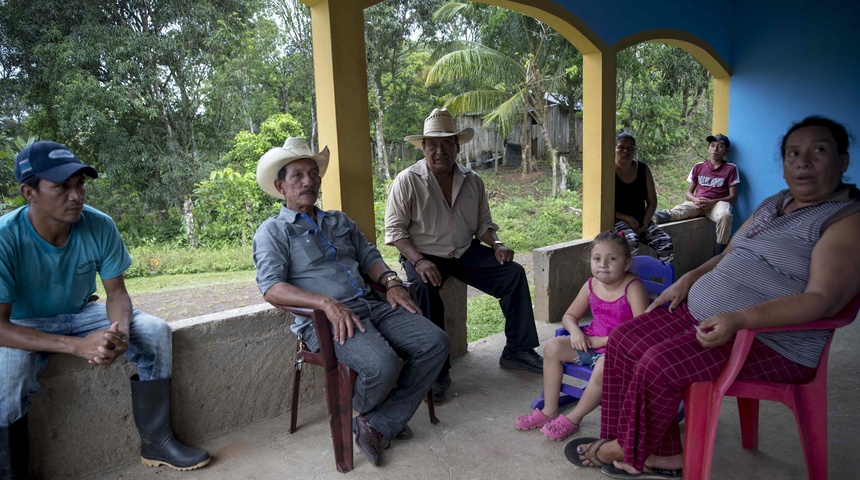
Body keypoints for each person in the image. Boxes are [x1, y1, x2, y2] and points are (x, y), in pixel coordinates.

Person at [564, 116, 860, 479]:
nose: (802, 161)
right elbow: (726, 254)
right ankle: (663, 451)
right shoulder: (774, 203)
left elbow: (822, 300)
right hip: (703, 315)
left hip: (770, 341)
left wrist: (739, 319)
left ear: (842, 161)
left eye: (818, 150)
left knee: (658, 362)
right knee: (626, 338)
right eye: (793, 153)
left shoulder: (846, 220)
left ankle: (625, 447)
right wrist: (687, 279)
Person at [0, 141, 211, 478]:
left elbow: (117, 295)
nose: (76, 196)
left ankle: (156, 442)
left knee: (155, 331)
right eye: (62, 187)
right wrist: (77, 346)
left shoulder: (99, 225)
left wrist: (119, 332)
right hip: (25, 321)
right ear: (29, 192)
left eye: (80, 184)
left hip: (82, 313)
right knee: (7, 374)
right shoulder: (5, 237)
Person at [252, 137, 449, 467]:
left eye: (313, 173)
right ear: (280, 186)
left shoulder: (338, 221)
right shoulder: (273, 232)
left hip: (371, 303)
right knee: (382, 365)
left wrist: (390, 282)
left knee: (435, 343)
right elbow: (272, 287)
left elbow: (369, 255)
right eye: (297, 175)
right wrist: (325, 303)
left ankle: (378, 421)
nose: (308, 181)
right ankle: (384, 418)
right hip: (327, 320)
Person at [384, 108, 543, 403]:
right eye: (433, 144)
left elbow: (484, 225)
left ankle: (517, 350)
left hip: (464, 251)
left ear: (458, 146)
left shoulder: (473, 180)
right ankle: (437, 370)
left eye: (447, 143)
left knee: (512, 274)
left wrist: (496, 243)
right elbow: (395, 232)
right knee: (423, 288)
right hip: (424, 254)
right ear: (424, 147)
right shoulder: (407, 181)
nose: (440, 150)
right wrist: (418, 260)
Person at [514, 232, 648, 442]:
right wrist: (575, 332)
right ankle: (550, 409)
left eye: (611, 259)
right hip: (589, 344)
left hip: (623, 352)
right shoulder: (590, 285)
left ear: (626, 263)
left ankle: (574, 418)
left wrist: (602, 341)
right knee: (552, 347)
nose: (603, 264)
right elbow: (569, 316)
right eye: (597, 259)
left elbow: (641, 330)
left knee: (604, 367)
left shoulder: (633, 288)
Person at [653, 134, 740, 255]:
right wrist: (695, 200)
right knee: (678, 211)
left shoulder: (731, 168)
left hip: (717, 204)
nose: (715, 149)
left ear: (726, 150)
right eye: (712, 145)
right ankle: (653, 217)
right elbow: (688, 193)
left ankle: (719, 252)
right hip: (698, 203)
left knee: (725, 216)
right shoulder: (699, 166)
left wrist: (712, 202)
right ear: (708, 148)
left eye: (720, 146)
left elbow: (733, 197)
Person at [613, 132, 674, 264]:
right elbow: (602, 207)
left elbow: (652, 201)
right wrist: (627, 218)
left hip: (641, 220)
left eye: (630, 148)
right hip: (617, 220)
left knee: (665, 243)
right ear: (614, 149)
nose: (626, 151)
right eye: (621, 147)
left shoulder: (642, 169)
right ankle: (628, 281)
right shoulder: (608, 171)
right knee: (631, 241)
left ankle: (664, 281)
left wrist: (645, 224)